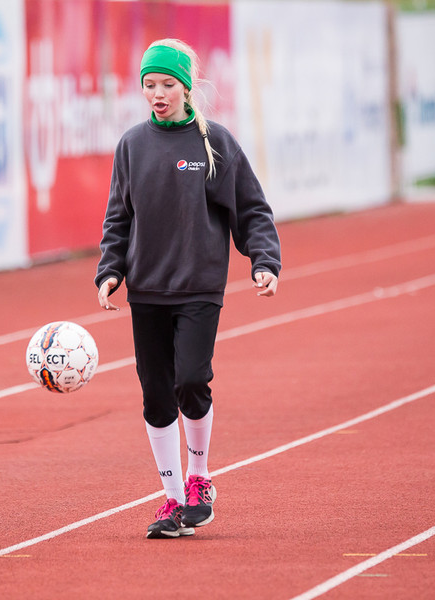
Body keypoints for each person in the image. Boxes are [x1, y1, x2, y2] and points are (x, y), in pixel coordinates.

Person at [95, 38, 281, 539]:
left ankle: (200, 479)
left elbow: (251, 209)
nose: (157, 94)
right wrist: (110, 270)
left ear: (187, 87)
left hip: (199, 286)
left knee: (191, 380)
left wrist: (264, 261)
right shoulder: (132, 145)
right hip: (146, 291)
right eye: (149, 85)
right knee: (156, 395)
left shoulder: (214, 143)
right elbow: (118, 217)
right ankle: (173, 499)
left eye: (167, 84)